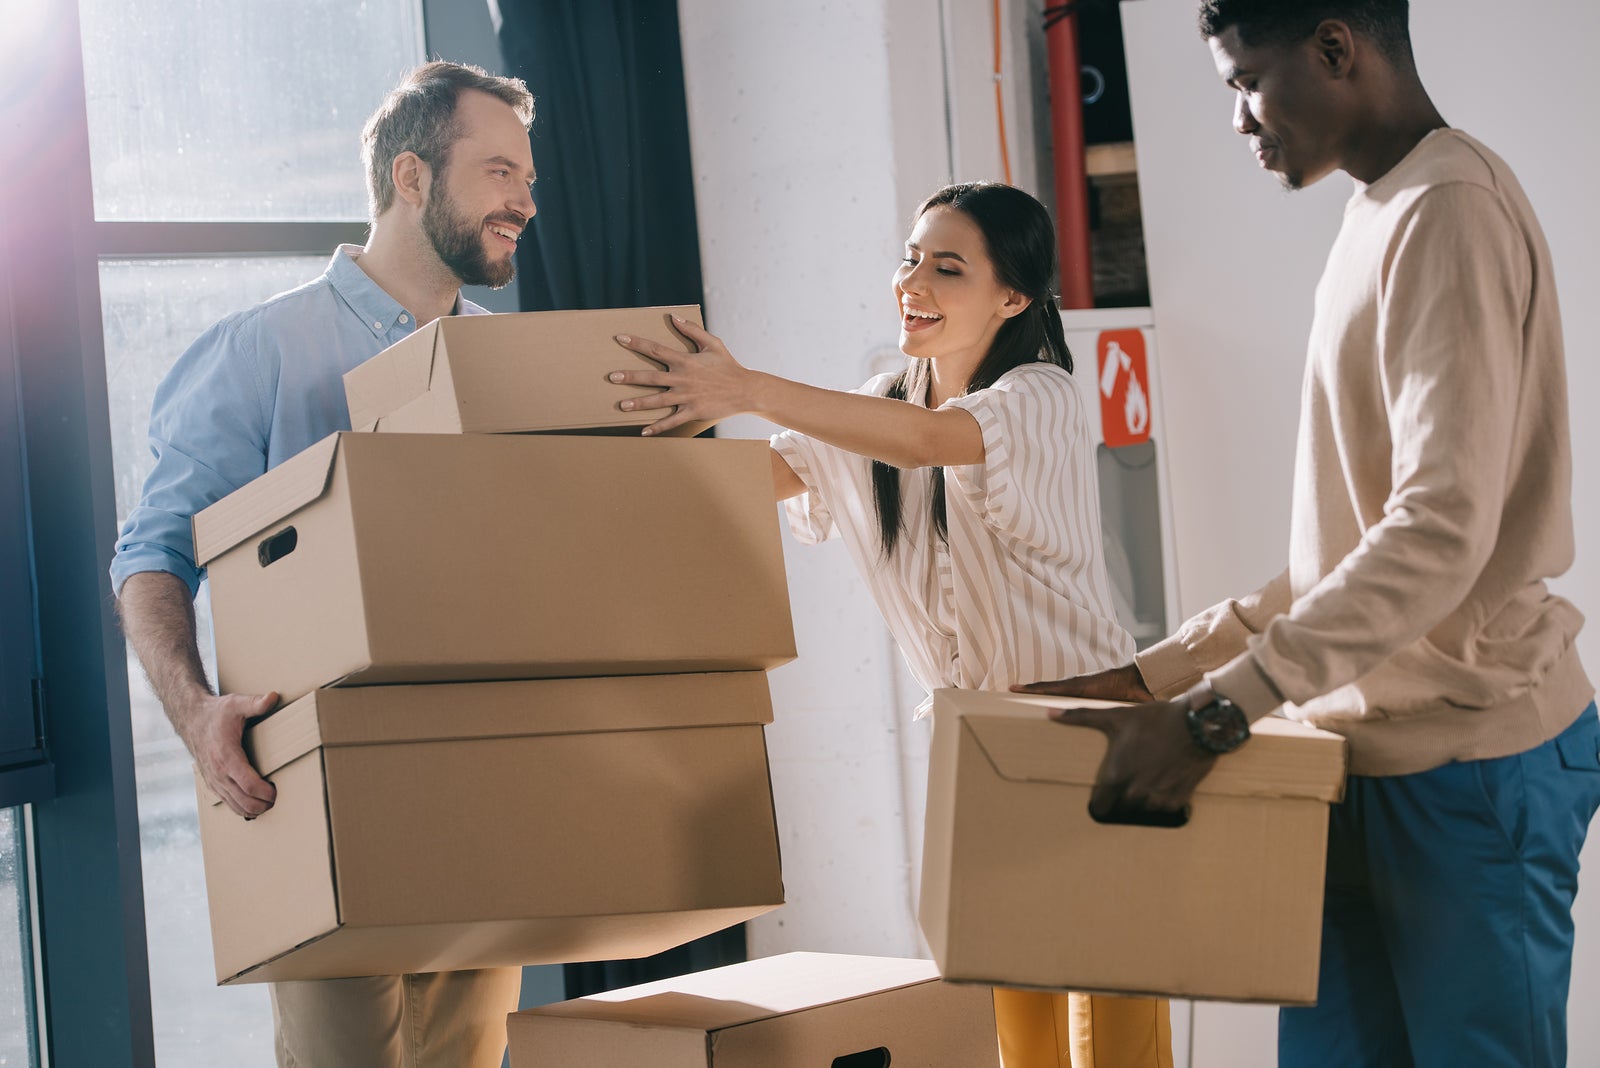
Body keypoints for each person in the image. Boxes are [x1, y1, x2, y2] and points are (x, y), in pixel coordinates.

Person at [1017, 3, 1598, 1066]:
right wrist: (1162, 675)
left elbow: (1436, 532)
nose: (1240, 118)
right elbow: (1357, 540)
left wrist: (1212, 717)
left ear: (1337, 46)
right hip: (1349, 756)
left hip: (1468, 765)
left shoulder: (1448, 208)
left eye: (1246, 79)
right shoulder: (1382, 209)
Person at [610, 182, 1173, 1068]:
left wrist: (747, 385)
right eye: (910, 258)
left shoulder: (1041, 397)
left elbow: (927, 441)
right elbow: (765, 480)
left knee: (1110, 1018)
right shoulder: (880, 402)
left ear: (1013, 297)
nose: (914, 280)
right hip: (978, 739)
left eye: (948, 267)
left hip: (1090, 730)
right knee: (1015, 1015)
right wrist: (614, 451)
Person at [111, 61, 537, 1068]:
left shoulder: (509, 364)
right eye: (497, 171)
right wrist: (191, 708)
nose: (523, 201)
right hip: (313, 786)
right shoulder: (259, 351)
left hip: (484, 781)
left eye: (528, 177)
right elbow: (151, 554)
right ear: (411, 178)